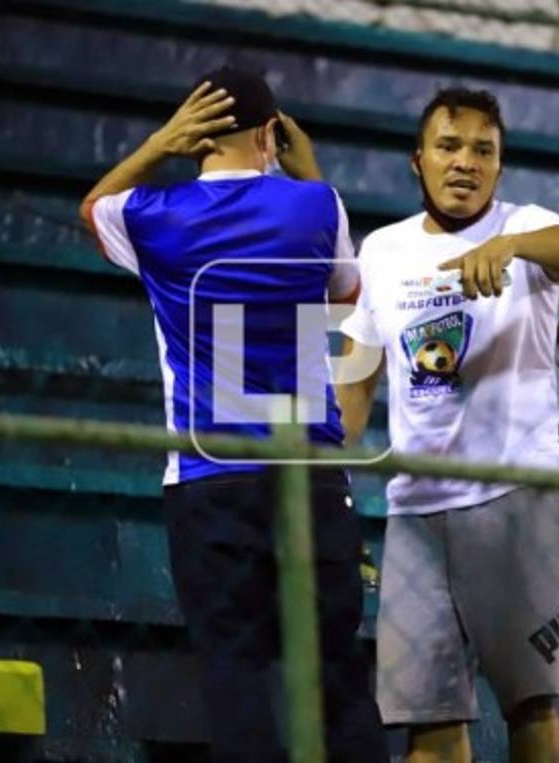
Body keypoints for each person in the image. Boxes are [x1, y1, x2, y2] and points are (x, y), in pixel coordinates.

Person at [79, 66, 386, 763]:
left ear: (196, 137)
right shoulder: (318, 209)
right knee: (337, 680)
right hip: (309, 478)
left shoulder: (155, 218)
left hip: (210, 477)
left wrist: (160, 142)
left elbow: (93, 205)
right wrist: (306, 172)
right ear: (271, 132)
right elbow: (349, 286)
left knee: (235, 676)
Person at [336, 87, 559, 762]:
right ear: (417, 160)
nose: (465, 162)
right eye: (449, 146)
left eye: (483, 150)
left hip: (517, 499)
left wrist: (512, 245)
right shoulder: (382, 251)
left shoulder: (528, 226)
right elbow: (357, 376)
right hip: (416, 513)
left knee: (530, 707)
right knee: (428, 727)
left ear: (499, 167)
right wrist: (326, 478)